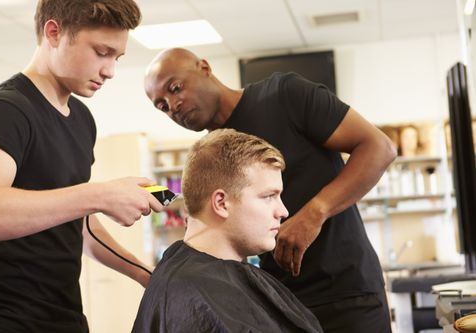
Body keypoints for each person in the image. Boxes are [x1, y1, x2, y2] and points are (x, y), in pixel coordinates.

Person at [143, 48, 397, 332]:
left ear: (204, 67)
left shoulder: (284, 95)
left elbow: (380, 148)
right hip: (281, 299)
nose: (173, 105)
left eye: (176, 88)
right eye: (162, 106)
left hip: (347, 292)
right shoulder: (215, 152)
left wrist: (315, 213)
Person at [0, 1, 163, 332]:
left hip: (64, 316)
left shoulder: (81, 119)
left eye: (116, 58)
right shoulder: (5, 111)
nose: (110, 71)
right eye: (101, 52)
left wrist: (146, 275)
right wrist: (98, 194)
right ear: (54, 32)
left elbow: (78, 222)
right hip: (1, 319)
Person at [132, 128, 323, 333]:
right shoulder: (193, 294)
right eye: (269, 196)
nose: (283, 211)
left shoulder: (187, 277)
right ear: (221, 203)